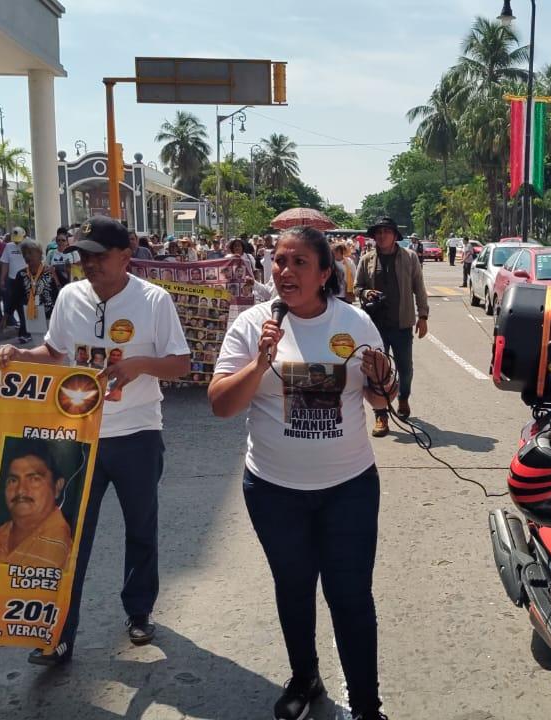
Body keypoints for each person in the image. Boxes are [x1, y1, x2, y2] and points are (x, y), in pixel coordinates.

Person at [210, 225, 393, 720]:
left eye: (299, 263)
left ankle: (367, 706)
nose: (285, 271)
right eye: (279, 262)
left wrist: (382, 382)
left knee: (350, 595)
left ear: (325, 274)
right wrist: (260, 362)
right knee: (293, 588)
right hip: (273, 491)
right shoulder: (252, 326)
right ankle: (305, 676)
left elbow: (380, 399)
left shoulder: (355, 323)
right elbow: (221, 405)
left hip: (349, 488)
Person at [0, 215, 189, 665]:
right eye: (84, 256)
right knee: (67, 536)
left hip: (138, 433)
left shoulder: (153, 300)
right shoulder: (69, 296)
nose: (90, 264)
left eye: (99, 256)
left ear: (127, 255)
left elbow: (180, 362)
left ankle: (139, 612)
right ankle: (60, 631)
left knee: (141, 528)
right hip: (79, 435)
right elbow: (55, 352)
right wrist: (22, 355)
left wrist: (139, 365)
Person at [355, 216, 429, 435]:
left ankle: (403, 398)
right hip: (375, 326)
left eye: (386, 231)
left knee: (405, 369)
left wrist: (423, 316)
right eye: (378, 232)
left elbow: (419, 287)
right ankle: (381, 415)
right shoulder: (367, 259)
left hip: (402, 324)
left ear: (395, 235)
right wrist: (365, 292)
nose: (382, 235)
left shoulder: (410, 257)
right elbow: (357, 286)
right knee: (376, 372)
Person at [0, 440, 72, 569]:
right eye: (13, 480)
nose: (21, 490)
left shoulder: (60, 543)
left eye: (34, 479)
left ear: (57, 487)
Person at [11, 239, 61, 345]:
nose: (27, 256)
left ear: (39, 253)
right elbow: (14, 297)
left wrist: (55, 277)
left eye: (30, 252)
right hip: (33, 314)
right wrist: (7, 315)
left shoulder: (51, 271)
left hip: (51, 315)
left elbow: (61, 292)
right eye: (24, 254)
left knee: (54, 346)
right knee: (39, 345)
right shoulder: (21, 274)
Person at [0, 228, 28, 331]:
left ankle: (25, 329)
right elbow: (5, 263)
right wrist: (2, 279)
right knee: (14, 304)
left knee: (24, 305)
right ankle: (23, 327)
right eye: (15, 240)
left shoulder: (30, 245)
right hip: (13, 280)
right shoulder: (8, 246)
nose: (17, 242)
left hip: (27, 279)